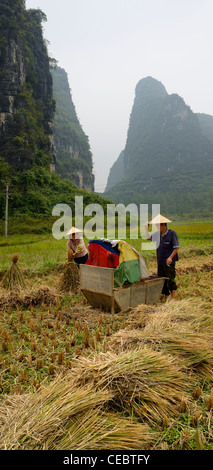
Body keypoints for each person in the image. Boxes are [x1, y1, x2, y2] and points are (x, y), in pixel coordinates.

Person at [144, 214, 179, 299]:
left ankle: (173, 298)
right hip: (160, 260)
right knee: (162, 279)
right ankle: (166, 297)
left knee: (170, 278)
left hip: (168, 261)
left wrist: (170, 257)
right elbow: (147, 238)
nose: (156, 227)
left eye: (157, 225)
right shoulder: (157, 234)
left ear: (163, 225)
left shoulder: (171, 233)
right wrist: (146, 228)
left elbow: (176, 247)